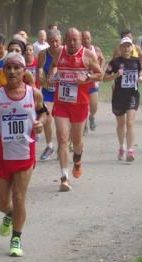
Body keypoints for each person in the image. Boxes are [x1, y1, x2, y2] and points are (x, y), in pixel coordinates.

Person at [0, 53, 47, 257]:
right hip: (3, 153)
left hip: (24, 152)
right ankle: (9, 214)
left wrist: (40, 123)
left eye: (16, 67)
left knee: (19, 196)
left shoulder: (33, 93)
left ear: (23, 71)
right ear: (3, 71)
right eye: (8, 67)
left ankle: (17, 238)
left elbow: (44, 112)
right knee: (2, 202)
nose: (11, 71)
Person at [48, 28, 102, 191]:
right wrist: (52, 76)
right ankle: (64, 177)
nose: (72, 43)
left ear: (80, 40)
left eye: (75, 40)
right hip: (62, 103)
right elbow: (53, 66)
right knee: (63, 138)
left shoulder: (88, 55)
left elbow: (99, 74)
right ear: (65, 40)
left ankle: (77, 160)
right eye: (69, 39)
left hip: (80, 104)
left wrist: (86, 77)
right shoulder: (59, 52)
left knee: (77, 142)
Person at [104, 37, 142, 162]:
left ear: (132, 48)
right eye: (124, 46)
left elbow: (141, 70)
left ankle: (130, 150)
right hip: (118, 96)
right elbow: (104, 78)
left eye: (128, 46)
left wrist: (141, 76)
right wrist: (116, 75)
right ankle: (122, 147)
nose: (126, 49)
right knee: (121, 123)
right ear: (120, 49)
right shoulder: (114, 62)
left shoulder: (136, 61)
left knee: (130, 122)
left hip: (132, 94)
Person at [37, 28, 61, 161]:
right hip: (48, 91)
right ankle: (49, 146)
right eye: (51, 42)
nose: (54, 44)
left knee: (63, 121)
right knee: (47, 116)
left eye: (56, 41)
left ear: (60, 40)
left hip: (63, 92)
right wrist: (40, 74)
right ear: (48, 42)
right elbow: (39, 67)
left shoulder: (65, 52)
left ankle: (63, 145)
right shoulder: (43, 54)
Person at [81, 31, 105, 131]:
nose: (86, 40)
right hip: (82, 82)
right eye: (84, 38)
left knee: (94, 105)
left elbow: (102, 59)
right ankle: (84, 124)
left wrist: (101, 68)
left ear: (91, 39)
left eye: (88, 38)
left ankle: (91, 116)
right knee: (84, 104)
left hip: (93, 81)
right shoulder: (79, 50)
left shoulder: (96, 49)